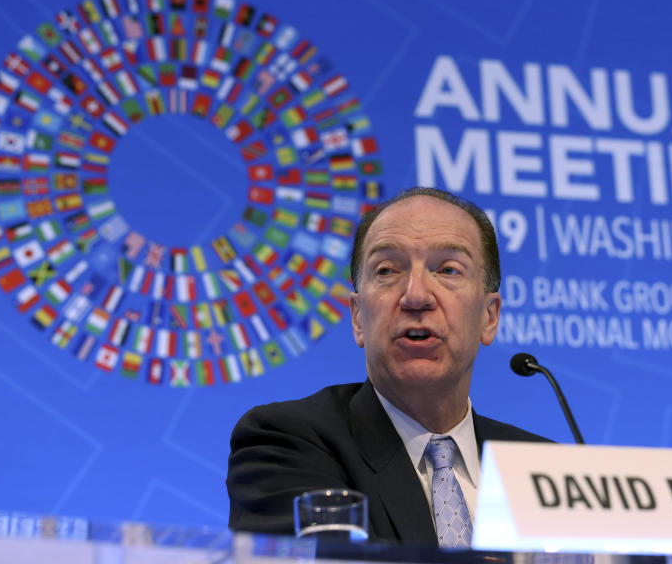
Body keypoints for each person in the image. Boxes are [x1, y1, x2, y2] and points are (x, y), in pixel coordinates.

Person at [226, 187, 550, 546]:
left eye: (447, 269)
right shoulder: (285, 444)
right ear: (358, 317)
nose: (416, 296)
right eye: (387, 270)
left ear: (489, 317)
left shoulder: (545, 470)